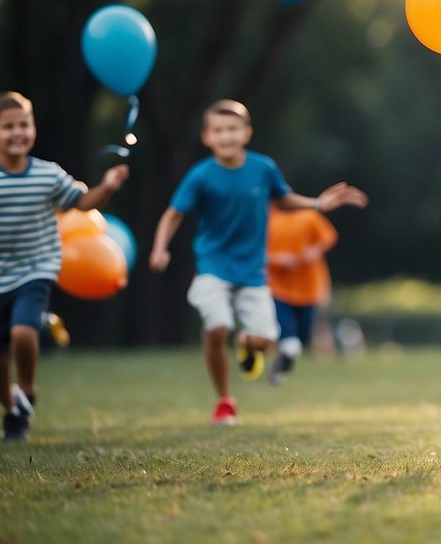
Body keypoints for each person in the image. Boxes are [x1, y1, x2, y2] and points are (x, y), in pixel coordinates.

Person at [149, 99, 367, 425]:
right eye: (218, 131)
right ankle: (224, 401)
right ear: (207, 137)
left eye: (233, 129)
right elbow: (173, 214)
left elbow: (285, 199)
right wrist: (159, 248)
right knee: (217, 325)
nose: (226, 136)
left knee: (264, 340)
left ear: (246, 133)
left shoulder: (263, 169)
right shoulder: (200, 176)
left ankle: (247, 343)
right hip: (214, 267)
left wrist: (318, 203)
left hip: (253, 272)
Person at [0, 91, 129, 442]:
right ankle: (12, 409)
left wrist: (108, 186)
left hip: (35, 269)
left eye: (24, 124)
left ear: (34, 130)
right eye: (8, 126)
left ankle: (25, 389)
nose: (17, 132)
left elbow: (82, 203)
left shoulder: (48, 175)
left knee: (23, 332)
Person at [266, 203, 337, 385]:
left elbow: (329, 236)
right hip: (278, 289)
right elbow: (253, 252)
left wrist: (314, 250)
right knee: (288, 338)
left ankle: (280, 365)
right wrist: (277, 258)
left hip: (308, 290)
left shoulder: (309, 216)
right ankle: (277, 370)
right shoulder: (266, 219)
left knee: (302, 338)